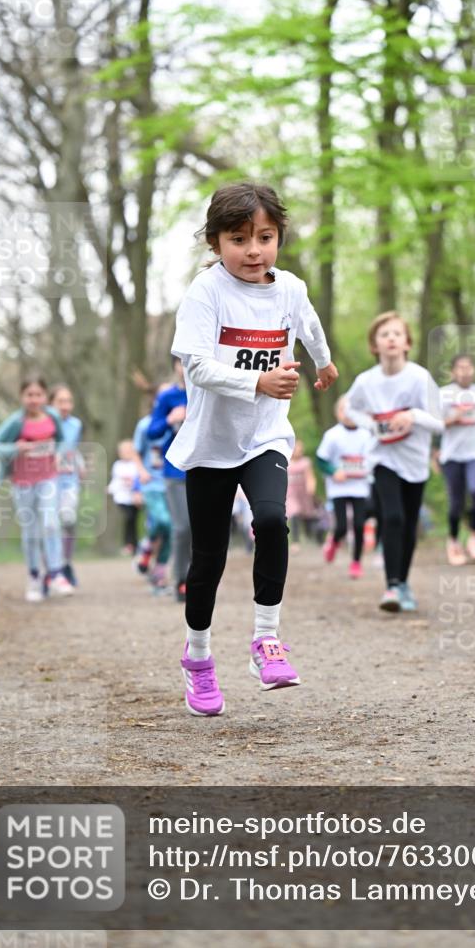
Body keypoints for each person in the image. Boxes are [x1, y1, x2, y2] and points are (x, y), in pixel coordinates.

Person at [166, 181, 338, 716]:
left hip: (264, 436)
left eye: (265, 237)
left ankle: (266, 641)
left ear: (279, 238)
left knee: (272, 519)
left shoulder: (288, 287)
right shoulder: (205, 293)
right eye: (238, 239)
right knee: (209, 559)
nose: (254, 250)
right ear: (215, 242)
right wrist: (257, 382)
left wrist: (323, 360)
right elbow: (195, 364)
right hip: (211, 444)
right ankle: (198, 660)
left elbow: (306, 323)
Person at [346, 312, 444, 613]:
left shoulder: (419, 377)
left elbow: (438, 422)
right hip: (382, 457)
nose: (391, 338)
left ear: (407, 343)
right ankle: (391, 586)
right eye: (384, 334)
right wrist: (374, 425)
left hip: (414, 461)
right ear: (374, 345)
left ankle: (403, 582)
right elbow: (351, 410)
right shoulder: (366, 381)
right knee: (393, 517)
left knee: (409, 523)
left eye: (397, 334)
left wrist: (411, 416)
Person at [0, 375, 73, 601]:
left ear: (45, 396)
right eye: (29, 395)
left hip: (48, 479)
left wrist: (59, 453)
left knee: (51, 523)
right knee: (31, 531)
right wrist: (16, 448)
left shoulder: (52, 416)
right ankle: (34, 578)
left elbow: (63, 440)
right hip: (22, 483)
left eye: (38, 395)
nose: (34, 399)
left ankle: (55, 574)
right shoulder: (16, 421)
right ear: (22, 397)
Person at [438, 355, 475, 565]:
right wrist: (454, 418)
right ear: (453, 372)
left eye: (468, 367)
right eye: (460, 367)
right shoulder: (443, 394)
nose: (465, 371)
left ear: (474, 370)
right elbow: (436, 424)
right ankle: (453, 541)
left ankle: (474, 536)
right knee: (456, 503)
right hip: (451, 455)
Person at [147, 357, 191, 603]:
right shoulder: (168, 397)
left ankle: (199, 580)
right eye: (181, 362)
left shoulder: (208, 392)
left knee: (202, 528)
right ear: (175, 365)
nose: (185, 367)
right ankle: (182, 579)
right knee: (182, 527)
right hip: (175, 470)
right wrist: (170, 419)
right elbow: (152, 431)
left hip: (207, 467)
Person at [316, 396, 373, 578]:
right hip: (339, 487)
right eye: (344, 411)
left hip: (359, 486)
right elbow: (321, 460)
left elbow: (372, 458)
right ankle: (333, 541)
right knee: (341, 526)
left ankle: (356, 563)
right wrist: (333, 471)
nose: (348, 415)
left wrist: (368, 468)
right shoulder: (332, 435)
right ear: (337, 413)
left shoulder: (366, 435)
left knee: (358, 525)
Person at [132, 392, 173, 592]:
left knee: (172, 530)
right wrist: (140, 474)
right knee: (163, 522)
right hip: (151, 484)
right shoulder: (144, 425)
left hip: (172, 483)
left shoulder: (179, 424)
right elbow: (135, 452)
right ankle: (147, 545)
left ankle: (159, 576)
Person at [49, 384, 85, 586]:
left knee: (69, 521)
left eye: (68, 401)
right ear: (51, 403)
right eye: (60, 401)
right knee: (50, 524)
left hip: (69, 481)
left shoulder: (76, 425)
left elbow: (73, 448)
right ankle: (51, 568)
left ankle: (65, 562)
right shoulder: (45, 423)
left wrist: (79, 464)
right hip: (47, 481)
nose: (65, 405)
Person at [107, 440, 142, 554]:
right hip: (121, 497)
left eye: (128, 450)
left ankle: (134, 545)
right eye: (123, 451)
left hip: (134, 498)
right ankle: (128, 543)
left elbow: (139, 479)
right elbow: (115, 480)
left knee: (133, 520)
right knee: (128, 518)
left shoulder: (136, 464)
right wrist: (110, 488)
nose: (126, 453)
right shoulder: (117, 465)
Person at [286, 439, 318, 548]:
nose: (298, 451)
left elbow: (310, 477)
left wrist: (311, 487)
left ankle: (310, 536)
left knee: (306, 516)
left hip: (304, 494)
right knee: (294, 513)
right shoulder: (286, 461)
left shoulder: (305, 462)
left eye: (300, 448)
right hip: (291, 495)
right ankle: (295, 542)